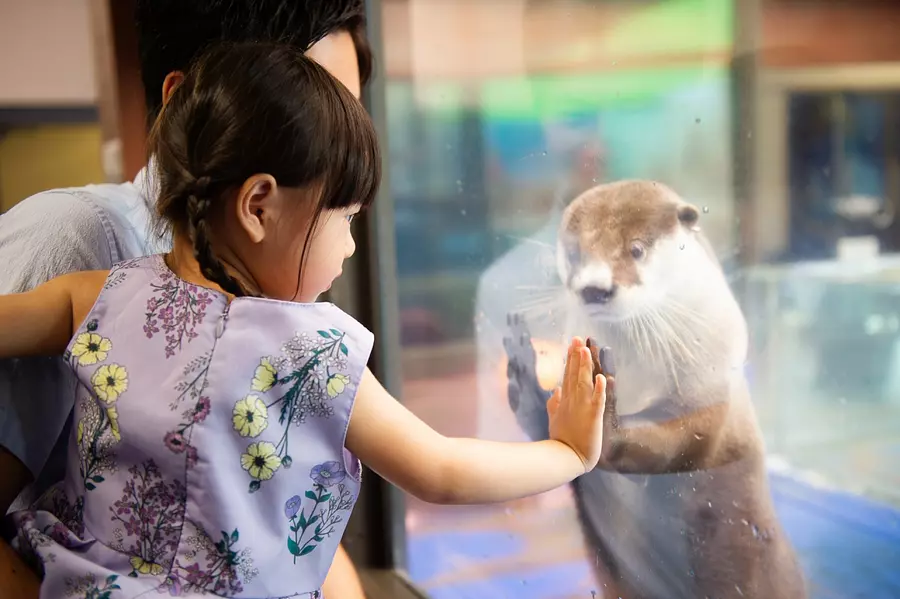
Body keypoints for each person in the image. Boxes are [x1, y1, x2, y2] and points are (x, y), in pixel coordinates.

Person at [0, 42, 608, 597]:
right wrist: (569, 454)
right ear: (259, 206)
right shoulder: (314, 354)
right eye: (344, 218)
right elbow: (441, 470)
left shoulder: (100, 294)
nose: (348, 247)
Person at [0, 2, 372, 597]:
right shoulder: (79, 239)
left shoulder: (265, 292)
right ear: (182, 101)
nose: (336, 151)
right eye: (305, 119)